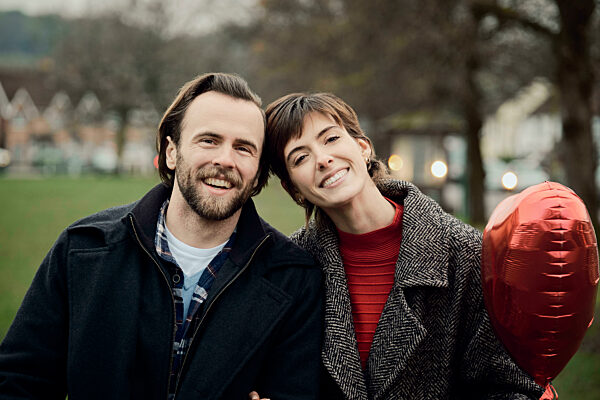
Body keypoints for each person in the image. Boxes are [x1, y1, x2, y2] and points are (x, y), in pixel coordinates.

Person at [0, 73, 323, 400]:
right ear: (172, 152)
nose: (225, 160)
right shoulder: (83, 250)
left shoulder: (293, 279)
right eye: (208, 140)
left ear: (257, 175)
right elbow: (19, 382)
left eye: (243, 148)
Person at [262, 92, 545, 399]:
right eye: (301, 157)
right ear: (294, 190)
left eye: (330, 139)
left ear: (362, 147)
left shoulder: (465, 252)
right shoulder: (289, 267)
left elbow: (510, 387)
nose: (322, 159)